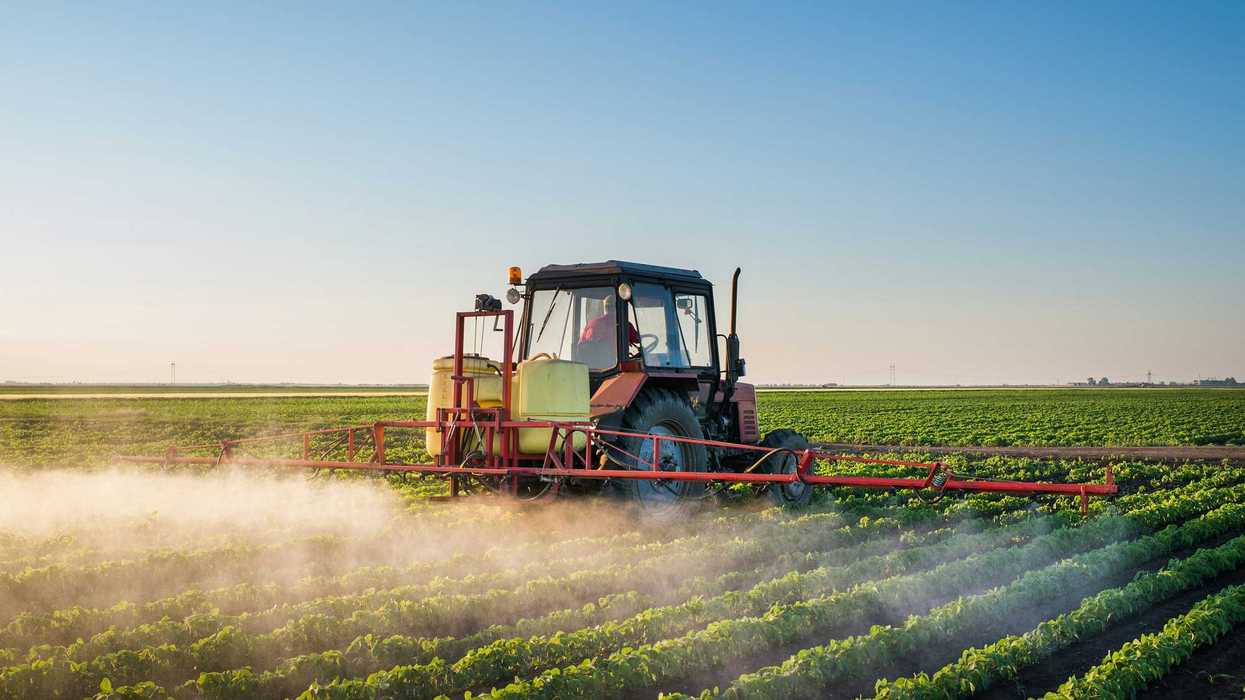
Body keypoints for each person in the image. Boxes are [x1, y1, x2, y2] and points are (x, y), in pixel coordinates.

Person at [578, 295, 639, 360]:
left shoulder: (593, 323)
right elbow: (638, 339)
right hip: (610, 363)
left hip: (596, 364)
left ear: (605, 307)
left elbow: (585, 346)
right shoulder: (625, 324)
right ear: (618, 307)